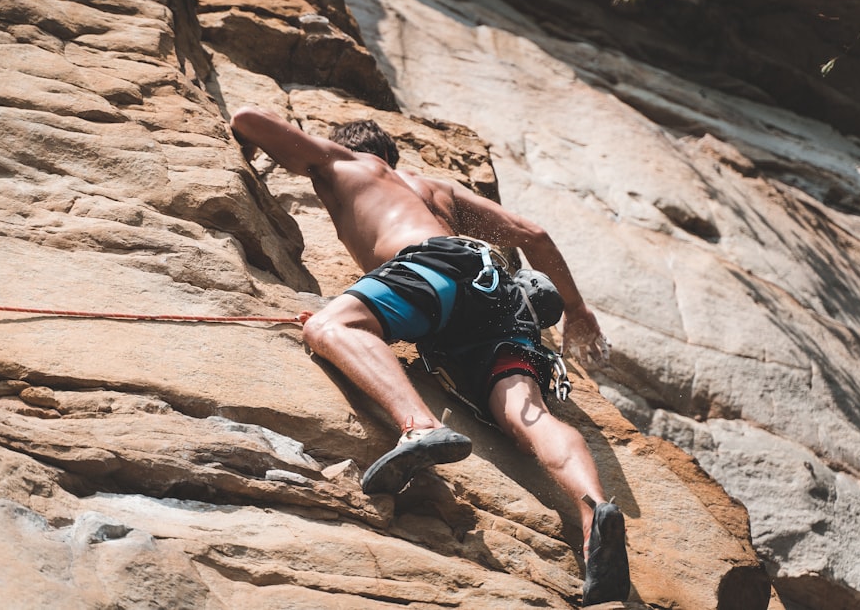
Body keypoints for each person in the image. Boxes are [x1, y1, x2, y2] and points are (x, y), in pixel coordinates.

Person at [230, 106, 629, 605]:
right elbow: (533, 235)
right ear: (396, 156)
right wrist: (577, 311)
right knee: (525, 414)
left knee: (331, 326)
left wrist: (242, 144)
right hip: (496, 289)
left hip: (430, 271)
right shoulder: (440, 190)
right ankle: (594, 513)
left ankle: (420, 427)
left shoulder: (348, 164)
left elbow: (248, 116)